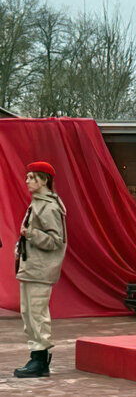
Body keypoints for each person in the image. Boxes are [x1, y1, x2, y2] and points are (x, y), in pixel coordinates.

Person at [13, 160, 67, 379]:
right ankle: (36, 357)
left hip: (40, 269)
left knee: (37, 314)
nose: (27, 181)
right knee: (28, 314)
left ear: (44, 179)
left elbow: (56, 240)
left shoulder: (49, 206)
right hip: (31, 267)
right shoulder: (37, 203)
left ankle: (40, 360)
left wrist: (30, 234)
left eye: (31, 177)